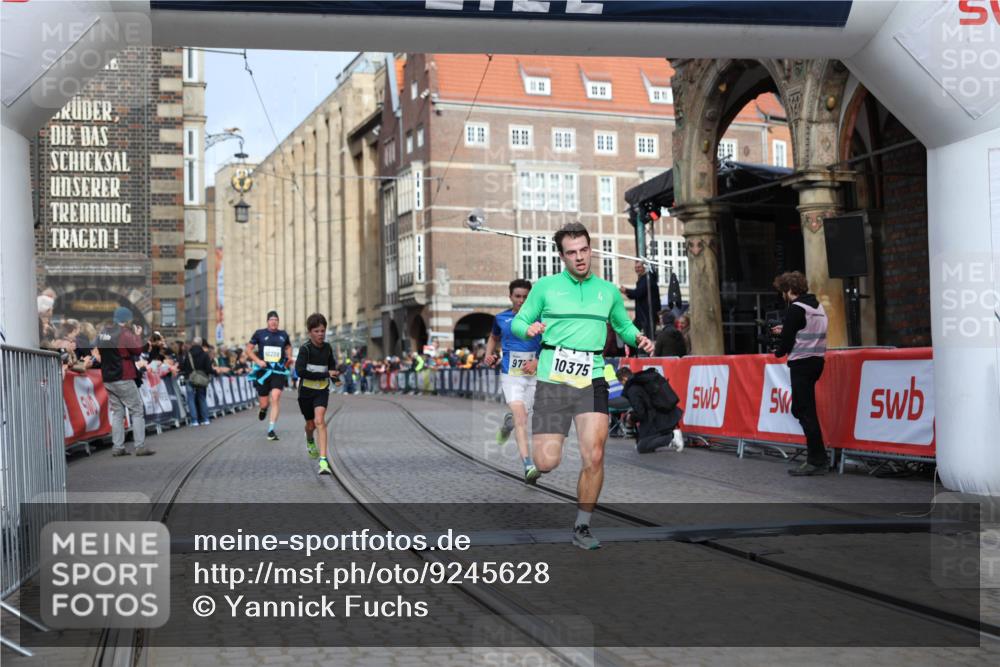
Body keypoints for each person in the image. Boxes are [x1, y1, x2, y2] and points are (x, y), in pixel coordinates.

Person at [512, 222, 654, 550]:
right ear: (562, 256)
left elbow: (623, 324)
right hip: (553, 380)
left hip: (592, 376)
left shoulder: (606, 291)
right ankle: (542, 454)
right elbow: (519, 321)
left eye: (584, 250)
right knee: (547, 462)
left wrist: (639, 338)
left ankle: (582, 527)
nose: (579, 257)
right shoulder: (545, 287)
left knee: (596, 454)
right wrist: (528, 329)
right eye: (571, 252)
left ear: (591, 249)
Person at [484, 278, 543, 484]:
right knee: (521, 418)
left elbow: (549, 344)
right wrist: (488, 355)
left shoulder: (539, 319)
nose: (521, 300)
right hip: (511, 375)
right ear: (510, 297)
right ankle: (528, 465)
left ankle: (506, 425)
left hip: (534, 376)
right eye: (517, 296)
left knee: (522, 416)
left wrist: (536, 361)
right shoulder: (501, 318)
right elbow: (493, 337)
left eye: (525, 297)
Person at [771, 271, 829, 476]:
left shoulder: (795, 309)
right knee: (804, 409)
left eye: (782, 292)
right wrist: (787, 329)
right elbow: (804, 330)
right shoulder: (818, 306)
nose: (782, 296)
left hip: (802, 363)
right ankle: (818, 456)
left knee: (803, 411)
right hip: (817, 362)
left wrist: (777, 352)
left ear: (789, 290)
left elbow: (786, 344)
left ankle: (817, 460)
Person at [95, 307, 154, 457]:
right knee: (137, 410)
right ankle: (140, 446)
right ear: (127, 320)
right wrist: (138, 335)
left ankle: (118, 447)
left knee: (117, 412)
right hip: (123, 375)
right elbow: (137, 350)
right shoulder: (125, 333)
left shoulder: (103, 333)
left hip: (108, 376)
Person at [296, 313, 339, 475]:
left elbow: (331, 367)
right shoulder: (305, 349)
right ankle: (309, 438)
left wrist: (336, 379)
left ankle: (323, 461)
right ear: (309, 333)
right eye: (316, 331)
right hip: (306, 392)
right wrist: (326, 374)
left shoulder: (327, 348)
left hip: (321, 390)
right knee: (311, 425)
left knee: (320, 421)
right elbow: (300, 372)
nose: (320, 334)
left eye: (322, 331)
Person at [246, 311, 293, 441]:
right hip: (263, 371)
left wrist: (289, 356)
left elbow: (288, 346)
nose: (274, 322)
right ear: (267, 321)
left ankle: (271, 430)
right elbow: (248, 349)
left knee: (276, 397)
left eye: (276, 320)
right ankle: (263, 409)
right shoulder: (259, 333)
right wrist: (258, 361)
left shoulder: (283, 335)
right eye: (271, 319)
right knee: (264, 403)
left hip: (278, 371)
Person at [617, 367, 685, 454]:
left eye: (621, 382)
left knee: (642, 448)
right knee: (643, 442)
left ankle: (671, 438)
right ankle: (669, 436)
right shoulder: (641, 380)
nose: (622, 385)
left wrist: (631, 418)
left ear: (624, 379)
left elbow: (640, 413)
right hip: (666, 415)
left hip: (656, 419)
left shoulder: (632, 389)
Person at [620, 261, 661, 344]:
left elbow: (639, 293)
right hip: (642, 313)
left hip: (646, 313)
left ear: (644, 268)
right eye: (636, 268)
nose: (637, 269)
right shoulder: (644, 279)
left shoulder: (647, 278)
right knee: (634, 332)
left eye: (639, 267)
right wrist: (626, 292)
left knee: (645, 334)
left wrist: (627, 290)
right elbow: (637, 295)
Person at [180, 337, 214, 425]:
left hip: (190, 378)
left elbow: (183, 366)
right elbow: (209, 368)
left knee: (190, 399)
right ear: (201, 344)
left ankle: (194, 420)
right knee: (202, 398)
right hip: (202, 379)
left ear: (192, 343)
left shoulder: (188, 354)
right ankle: (205, 419)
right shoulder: (205, 354)